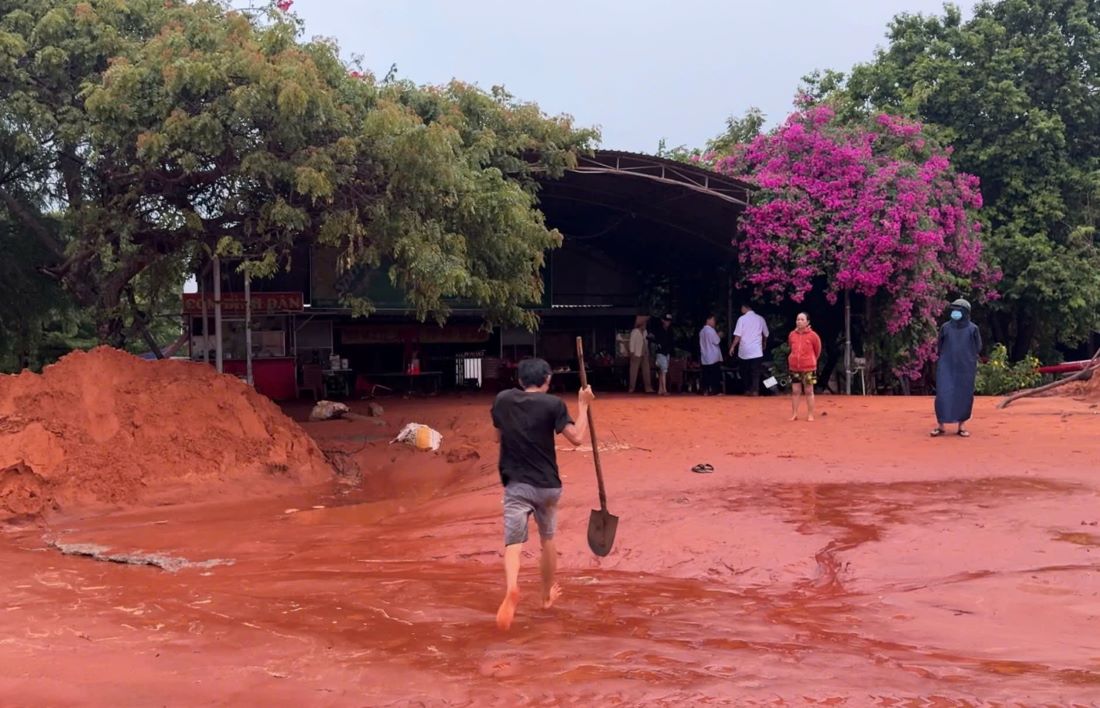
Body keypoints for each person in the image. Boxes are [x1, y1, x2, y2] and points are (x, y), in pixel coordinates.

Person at [491, 358, 594, 630]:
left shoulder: (503, 400)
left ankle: (512, 587)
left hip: (516, 483)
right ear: (547, 379)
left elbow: (498, 437)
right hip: (548, 485)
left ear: (521, 380)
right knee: (547, 539)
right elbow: (577, 437)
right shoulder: (554, 405)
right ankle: (546, 595)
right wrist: (583, 406)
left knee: (513, 541)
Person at [932, 298, 982, 437]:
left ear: (966, 312)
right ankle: (940, 425)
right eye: (954, 309)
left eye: (959, 310)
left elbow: (978, 347)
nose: (955, 312)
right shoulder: (945, 327)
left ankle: (962, 426)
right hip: (946, 366)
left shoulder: (973, 329)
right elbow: (940, 346)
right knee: (943, 394)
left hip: (966, 367)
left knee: (964, 395)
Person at [787, 312, 822, 421]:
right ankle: (794, 414)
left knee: (809, 391)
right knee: (795, 391)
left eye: (802, 319)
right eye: (798, 319)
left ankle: (810, 414)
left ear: (807, 322)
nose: (799, 321)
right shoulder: (792, 335)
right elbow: (791, 347)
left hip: (809, 368)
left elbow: (818, 350)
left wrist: (811, 360)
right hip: (794, 367)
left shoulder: (813, 336)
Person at [730, 303, 769, 396]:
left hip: (744, 350)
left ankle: (747, 389)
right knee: (755, 371)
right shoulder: (760, 319)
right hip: (756, 350)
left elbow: (738, 335)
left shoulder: (741, 319)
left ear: (745, 307)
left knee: (744, 371)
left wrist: (732, 346)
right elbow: (766, 334)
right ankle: (755, 390)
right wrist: (764, 343)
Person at [627, 315, 654, 393]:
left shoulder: (645, 332)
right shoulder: (635, 331)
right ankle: (631, 388)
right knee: (633, 371)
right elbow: (631, 342)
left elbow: (646, 341)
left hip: (644, 353)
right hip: (636, 353)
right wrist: (632, 352)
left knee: (646, 370)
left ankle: (648, 387)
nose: (645, 325)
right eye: (644, 323)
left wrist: (647, 352)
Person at [698, 315, 723, 396]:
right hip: (713, 356)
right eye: (713, 320)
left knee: (705, 374)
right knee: (714, 374)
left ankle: (705, 390)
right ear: (708, 320)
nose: (714, 322)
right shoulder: (711, 331)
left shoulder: (702, 331)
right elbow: (716, 341)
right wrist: (719, 335)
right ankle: (714, 390)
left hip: (705, 356)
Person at [652, 314, 676, 396]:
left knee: (662, 371)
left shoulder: (670, 330)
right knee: (663, 370)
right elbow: (655, 339)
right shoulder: (658, 330)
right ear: (663, 320)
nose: (668, 322)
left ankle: (660, 389)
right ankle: (664, 390)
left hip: (667, 352)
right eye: (666, 320)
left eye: (669, 321)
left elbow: (671, 342)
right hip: (660, 352)